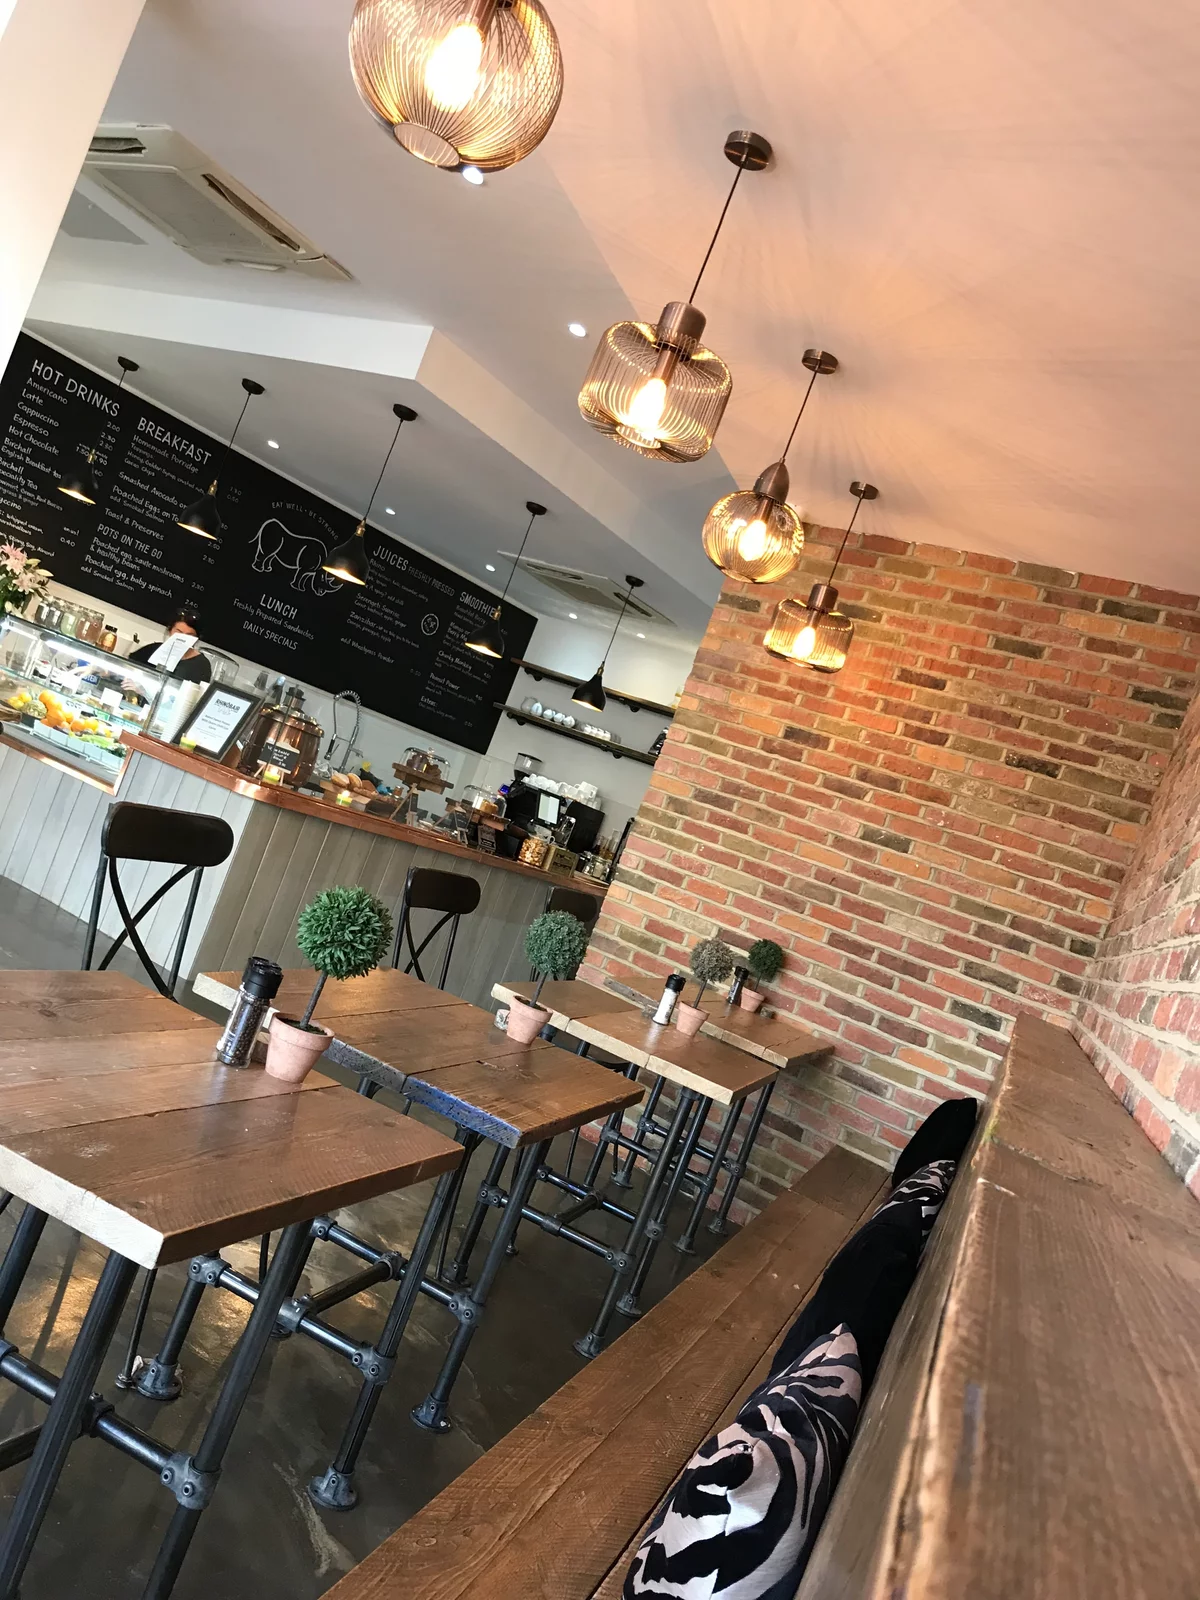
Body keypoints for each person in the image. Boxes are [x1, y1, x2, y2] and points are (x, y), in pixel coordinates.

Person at [128, 606, 212, 683]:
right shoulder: (153, 649)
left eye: (189, 636)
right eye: (179, 632)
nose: (182, 638)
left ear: (196, 639)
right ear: (170, 630)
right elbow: (128, 666)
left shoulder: (201, 665)